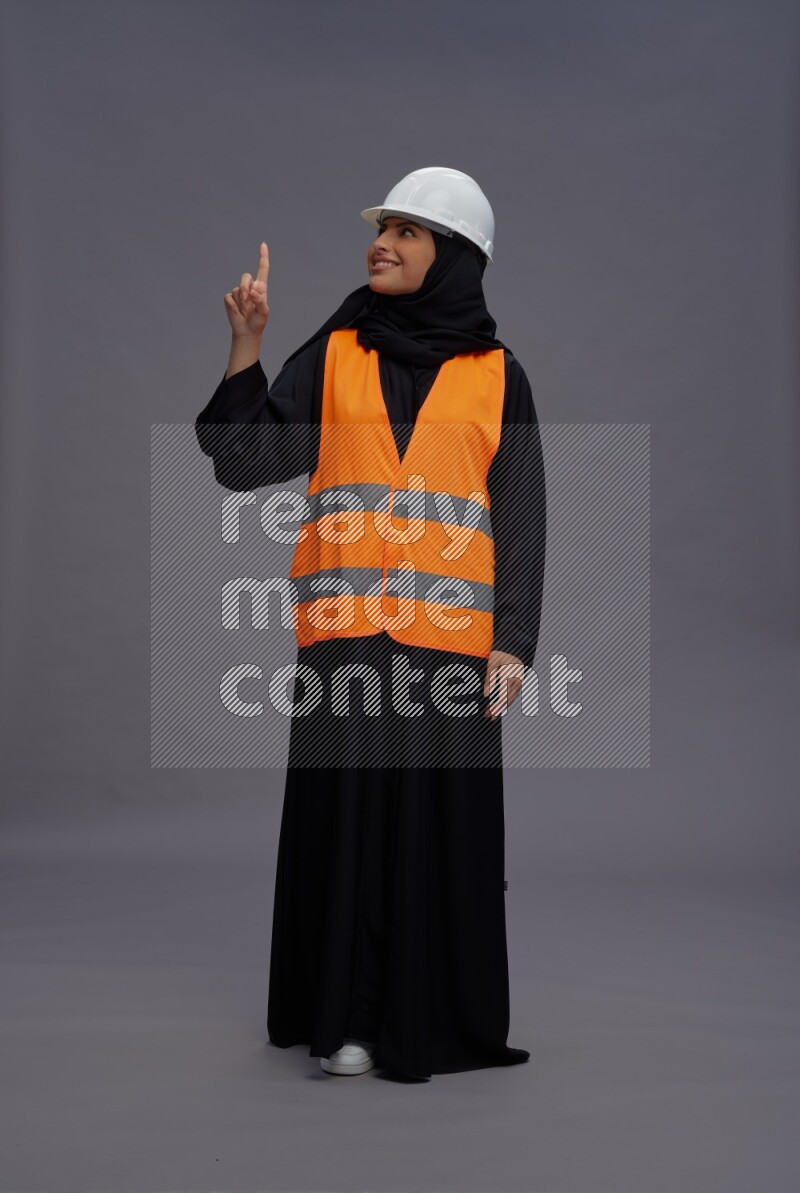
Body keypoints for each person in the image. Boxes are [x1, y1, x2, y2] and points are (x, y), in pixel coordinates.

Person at [195, 166, 547, 1080]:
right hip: (345, 635)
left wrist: (513, 639)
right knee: (346, 826)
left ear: (455, 255)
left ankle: (422, 1021)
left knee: (439, 831)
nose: (381, 243)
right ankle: (345, 1019)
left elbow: (520, 512)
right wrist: (247, 347)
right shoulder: (338, 349)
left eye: (407, 230)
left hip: (454, 649)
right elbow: (244, 461)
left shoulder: (499, 375)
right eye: (381, 227)